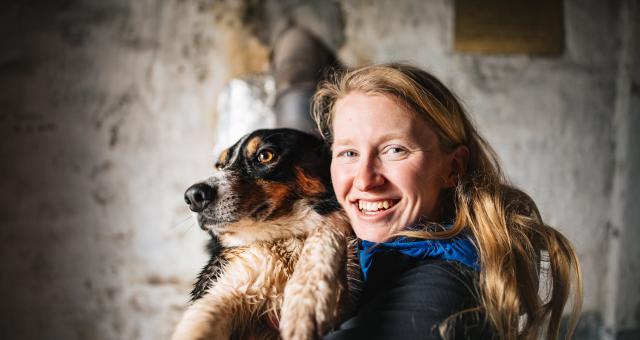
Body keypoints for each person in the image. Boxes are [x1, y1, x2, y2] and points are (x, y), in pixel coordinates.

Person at [311, 63, 583, 339]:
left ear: (452, 168)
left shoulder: (444, 288)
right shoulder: (379, 255)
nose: (365, 180)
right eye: (348, 153)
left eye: (395, 150)